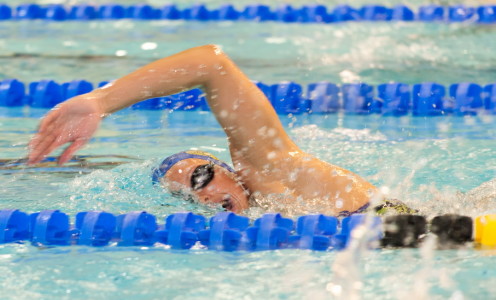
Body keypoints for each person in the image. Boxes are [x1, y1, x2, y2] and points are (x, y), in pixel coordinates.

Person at [28, 45, 412, 216]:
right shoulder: (260, 216)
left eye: (201, 177)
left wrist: (99, 101)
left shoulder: (268, 172)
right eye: (190, 198)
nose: (206, 197)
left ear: (229, 170)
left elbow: (211, 65)